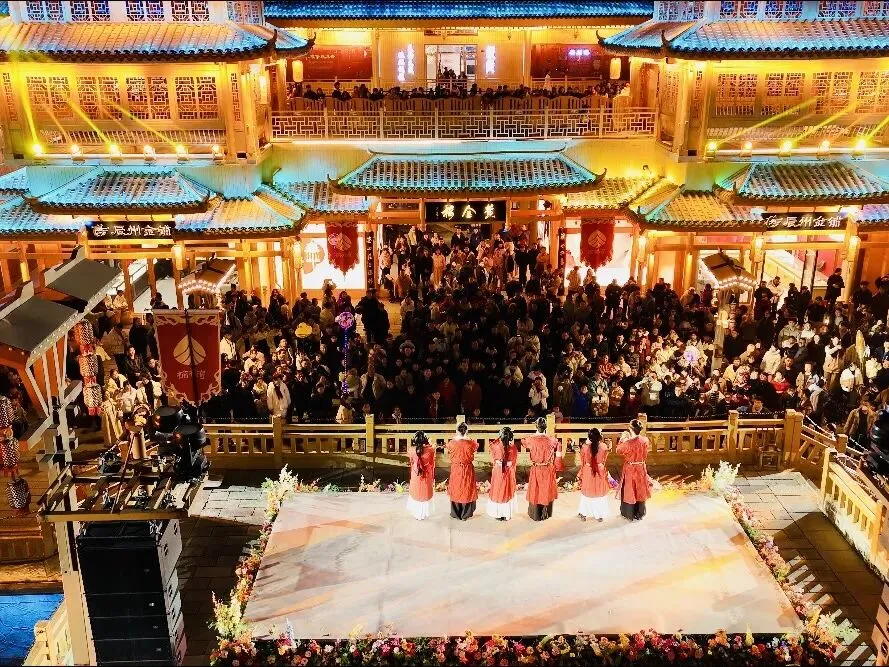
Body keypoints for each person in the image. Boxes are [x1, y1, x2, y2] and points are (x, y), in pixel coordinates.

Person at [524, 415, 563, 521]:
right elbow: (558, 452)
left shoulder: (531, 439)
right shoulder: (552, 440)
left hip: (536, 467)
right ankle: (546, 514)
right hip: (548, 468)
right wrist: (558, 467)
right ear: (546, 427)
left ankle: (536, 514)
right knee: (546, 489)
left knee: (536, 489)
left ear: (536, 426)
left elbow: (523, 443)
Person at [616, 418, 651, 521]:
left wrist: (623, 439)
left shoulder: (628, 443)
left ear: (631, 429)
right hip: (641, 467)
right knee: (640, 489)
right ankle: (640, 513)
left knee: (630, 489)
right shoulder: (645, 440)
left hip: (631, 468)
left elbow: (618, 450)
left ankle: (629, 513)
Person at [577, 428, 611, 522]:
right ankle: (599, 515)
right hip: (599, 470)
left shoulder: (585, 447)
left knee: (587, 491)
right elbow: (604, 460)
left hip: (588, 470)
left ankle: (584, 513)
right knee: (599, 491)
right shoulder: (603, 446)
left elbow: (583, 460)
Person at [446, 421, 478, 520]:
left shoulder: (452, 443)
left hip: (456, 469)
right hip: (467, 469)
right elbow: (476, 446)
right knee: (467, 488)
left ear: (457, 431)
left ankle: (456, 513)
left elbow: (448, 447)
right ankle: (465, 514)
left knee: (456, 488)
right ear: (466, 431)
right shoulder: (471, 443)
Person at [487, 426, 518, 521]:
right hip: (508, 472)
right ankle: (506, 513)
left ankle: (498, 513)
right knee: (507, 491)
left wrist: (498, 463)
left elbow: (492, 459)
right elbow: (513, 462)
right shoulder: (513, 448)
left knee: (498, 490)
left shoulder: (495, 446)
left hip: (498, 472)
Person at [407, 430, 436, 520]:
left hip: (416, 473)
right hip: (426, 474)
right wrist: (430, 442)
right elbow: (434, 447)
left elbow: (411, 461)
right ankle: (424, 514)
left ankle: (416, 513)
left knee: (416, 491)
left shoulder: (411, 450)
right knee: (425, 492)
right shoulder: (430, 450)